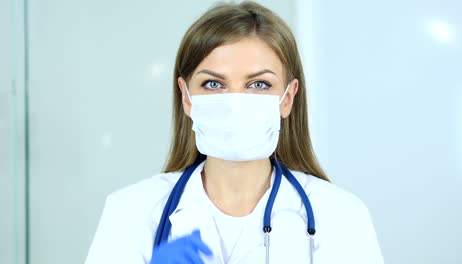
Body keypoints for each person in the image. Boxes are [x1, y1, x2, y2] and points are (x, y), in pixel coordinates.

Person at [85, 1, 384, 263]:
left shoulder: (340, 216)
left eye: (259, 84)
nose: (235, 102)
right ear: (187, 97)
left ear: (288, 98)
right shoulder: (130, 212)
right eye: (214, 84)